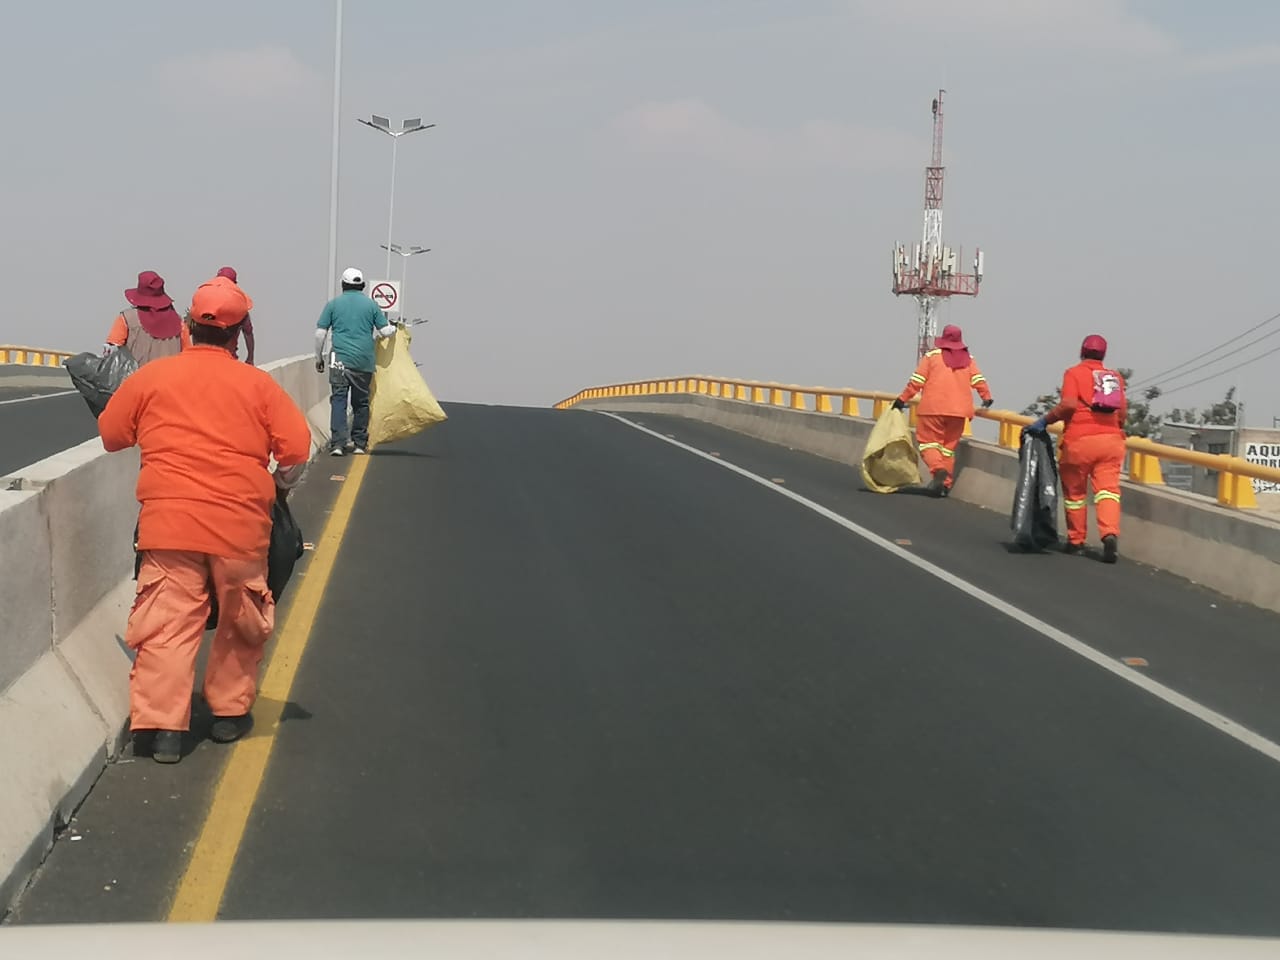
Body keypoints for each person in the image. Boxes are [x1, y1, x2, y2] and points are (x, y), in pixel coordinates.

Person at [99, 279, 312, 764]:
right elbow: (296, 451)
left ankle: (162, 729)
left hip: (168, 526)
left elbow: (112, 435)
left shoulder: (153, 379)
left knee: (167, 626)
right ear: (237, 337)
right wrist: (278, 489)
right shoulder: (259, 386)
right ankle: (228, 715)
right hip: (241, 530)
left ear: (190, 327)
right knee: (241, 621)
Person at [1026, 334, 1127, 563]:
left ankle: (1076, 541)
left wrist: (1045, 420)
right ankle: (1109, 534)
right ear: (1103, 354)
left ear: (1082, 351)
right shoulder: (1114, 377)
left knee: (1075, 494)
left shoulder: (1075, 373)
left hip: (1080, 442)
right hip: (1111, 442)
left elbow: (1069, 404)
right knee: (1108, 491)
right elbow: (1121, 413)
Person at [892, 324, 994, 497]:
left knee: (927, 444)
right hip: (959, 412)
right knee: (947, 449)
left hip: (933, 409)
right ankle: (944, 486)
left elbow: (917, 381)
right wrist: (986, 397)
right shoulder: (968, 359)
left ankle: (937, 469)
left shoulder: (931, 357)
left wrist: (902, 399)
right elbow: (978, 379)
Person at [315, 266, 395, 456]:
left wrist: (319, 358)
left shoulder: (333, 305)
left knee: (339, 400)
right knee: (361, 403)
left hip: (338, 361)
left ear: (343, 285)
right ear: (362, 286)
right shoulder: (371, 306)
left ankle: (337, 444)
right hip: (363, 361)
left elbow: (320, 334)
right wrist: (394, 328)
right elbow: (385, 332)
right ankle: (359, 443)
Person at [104, 270, 190, 364]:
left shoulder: (127, 319)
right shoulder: (180, 323)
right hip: (173, 377)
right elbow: (188, 356)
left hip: (137, 377)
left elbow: (110, 352)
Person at [215, 266, 255, 365]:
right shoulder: (239, 305)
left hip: (206, 358)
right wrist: (250, 358)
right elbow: (248, 333)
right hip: (229, 359)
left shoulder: (205, 300)